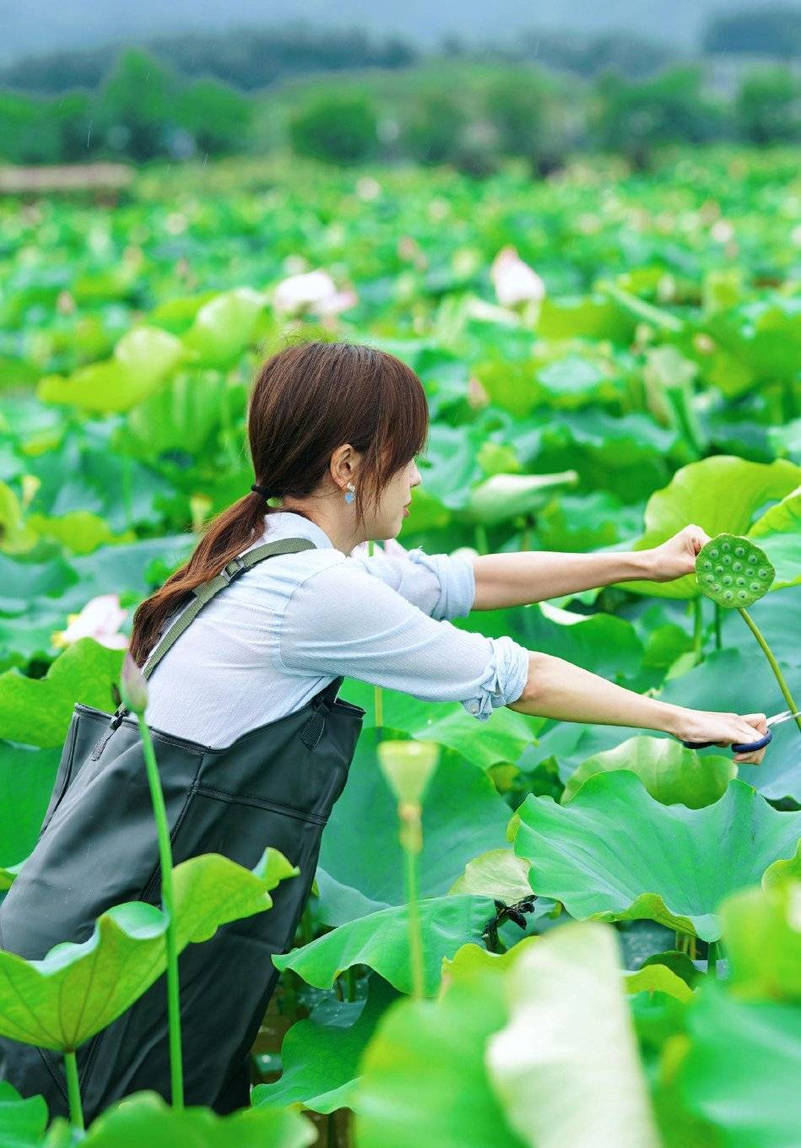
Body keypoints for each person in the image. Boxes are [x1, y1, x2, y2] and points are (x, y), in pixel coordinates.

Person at [0, 339, 768, 1123]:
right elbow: (518, 678)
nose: (419, 478)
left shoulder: (264, 545)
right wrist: (679, 718)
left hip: (91, 926)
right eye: (407, 460)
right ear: (346, 468)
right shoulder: (310, 590)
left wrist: (637, 565)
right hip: (106, 966)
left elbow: (466, 579)